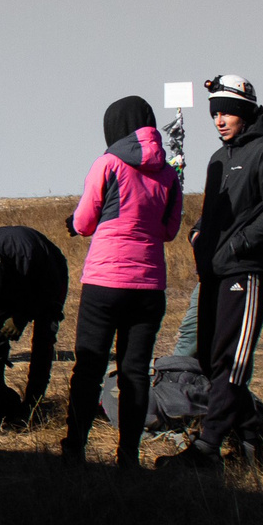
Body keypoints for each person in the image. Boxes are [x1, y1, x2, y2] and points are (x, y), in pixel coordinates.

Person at [163, 76, 263, 470]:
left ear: (246, 112)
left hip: (245, 270)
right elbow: (214, 211)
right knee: (207, 359)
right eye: (216, 113)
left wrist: (238, 245)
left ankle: (207, 447)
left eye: (228, 112)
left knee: (230, 362)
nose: (220, 120)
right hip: (213, 273)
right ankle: (251, 441)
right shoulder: (218, 159)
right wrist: (198, 233)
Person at [62, 95, 185, 469]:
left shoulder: (109, 163)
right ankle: (128, 455)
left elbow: (84, 222)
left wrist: (77, 222)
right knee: (135, 371)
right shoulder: (170, 174)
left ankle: (75, 451)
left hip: (105, 282)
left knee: (89, 366)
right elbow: (169, 230)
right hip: (149, 286)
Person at [0, 224, 70, 416]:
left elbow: (47, 292)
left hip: (46, 276)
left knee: (44, 339)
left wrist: (20, 318)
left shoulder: (30, 256)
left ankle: (33, 404)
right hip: (6, 277)